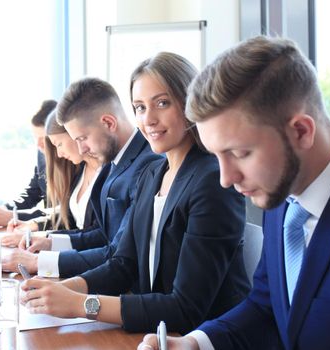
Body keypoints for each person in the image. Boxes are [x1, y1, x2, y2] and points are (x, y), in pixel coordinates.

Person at [138, 36, 330, 350]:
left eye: (239, 153)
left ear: (301, 131)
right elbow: (266, 307)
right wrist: (194, 344)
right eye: (217, 156)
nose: (226, 179)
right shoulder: (281, 197)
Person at [20, 52, 249, 333]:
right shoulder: (153, 174)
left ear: (190, 103)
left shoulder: (212, 180)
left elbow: (185, 308)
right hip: (155, 334)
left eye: (162, 103)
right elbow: (123, 264)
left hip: (199, 337)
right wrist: (61, 291)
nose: (148, 119)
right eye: (140, 107)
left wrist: (81, 304)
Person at [8, 77, 160, 276]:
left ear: (108, 122)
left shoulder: (148, 165)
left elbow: (119, 254)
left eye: (82, 138)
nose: (81, 149)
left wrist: (40, 262)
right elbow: (102, 235)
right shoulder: (113, 161)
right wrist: (50, 242)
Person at [1, 112, 102, 270]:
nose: (59, 153)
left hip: (86, 265)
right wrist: (37, 230)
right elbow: (67, 214)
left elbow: (99, 236)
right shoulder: (82, 168)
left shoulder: (105, 172)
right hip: (74, 259)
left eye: (59, 144)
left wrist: (47, 242)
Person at [0, 100, 56, 227]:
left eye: (44, 139)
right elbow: (32, 193)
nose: (38, 145)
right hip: (46, 231)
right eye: (35, 138)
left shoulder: (76, 163)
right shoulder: (42, 152)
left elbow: (65, 213)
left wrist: (14, 216)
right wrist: (3, 209)